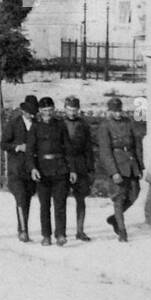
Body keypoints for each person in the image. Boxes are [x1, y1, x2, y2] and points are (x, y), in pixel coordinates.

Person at [98, 95, 143, 242]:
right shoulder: (105, 126)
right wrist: (114, 172)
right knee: (119, 197)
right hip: (117, 165)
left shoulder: (128, 123)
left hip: (131, 164)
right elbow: (105, 151)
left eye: (119, 111)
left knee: (134, 194)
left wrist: (140, 166)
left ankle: (113, 219)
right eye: (114, 111)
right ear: (109, 111)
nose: (117, 114)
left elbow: (137, 145)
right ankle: (122, 231)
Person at [29, 97, 70, 246]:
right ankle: (46, 235)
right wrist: (33, 168)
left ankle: (61, 234)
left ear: (54, 110)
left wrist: (71, 169)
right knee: (44, 205)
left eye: (50, 110)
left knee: (60, 204)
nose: (48, 113)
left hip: (60, 169)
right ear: (40, 111)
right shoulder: (35, 127)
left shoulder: (60, 125)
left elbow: (68, 149)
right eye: (45, 111)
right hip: (42, 170)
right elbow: (30, 151)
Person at [1, 94, 39, 242]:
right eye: (29, 112)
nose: (31, 115)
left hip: (32, 169)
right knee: (21, 197)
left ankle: (23, 227)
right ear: (23, 111)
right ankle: (23, 231)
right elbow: (3, 144)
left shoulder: (37, 124)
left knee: (28, 198)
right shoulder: (13, 124)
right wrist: (17, 147)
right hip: (16, 169)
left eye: (34, 113)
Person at [61, 96, 94, 241]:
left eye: (75, 109)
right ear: (64, 109)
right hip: (63, 164)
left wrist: (90, 168)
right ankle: (61, 231)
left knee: (81, 199)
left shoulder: (84, 125)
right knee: (60, 199)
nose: (72, 112)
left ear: (78, 110)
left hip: (80, 164)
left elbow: (88, 148)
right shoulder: (59, 124)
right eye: (69, 109)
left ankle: (80, 231)